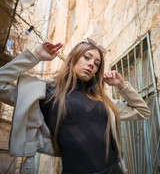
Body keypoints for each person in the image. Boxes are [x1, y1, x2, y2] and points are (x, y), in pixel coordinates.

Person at [0, 39, 151, 174]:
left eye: (97, 63)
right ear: (73, 59)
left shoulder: (103, 101)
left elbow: (143, 111)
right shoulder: (46, 93)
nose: (92, 64)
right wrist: (36, 56)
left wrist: (121, 85)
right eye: (87, 57)